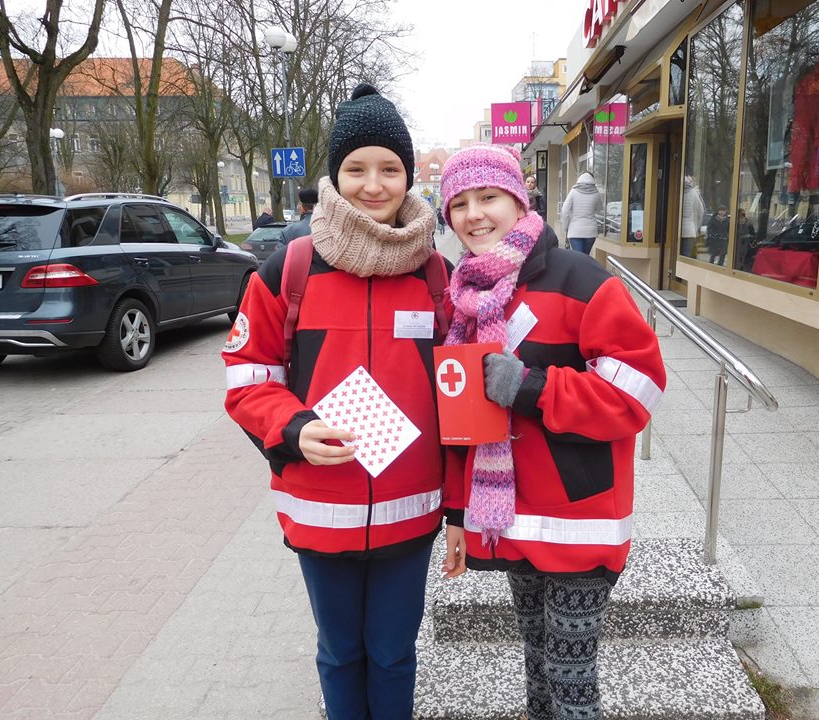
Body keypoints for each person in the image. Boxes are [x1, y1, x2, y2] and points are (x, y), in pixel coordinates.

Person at [222, 83, 449, 720]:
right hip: (321, 506)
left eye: (389, 169)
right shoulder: (290, 268)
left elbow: (463, 389)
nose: (373, 185)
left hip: (411, 509)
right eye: (356, 168)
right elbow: (246, 377)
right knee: (340, 652)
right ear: (333, 175)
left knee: (394, 653)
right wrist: (293, 429)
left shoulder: (435, 274)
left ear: (408, 177)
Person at [438, 143, 666, 720]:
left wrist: (533, 388)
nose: (475, 214)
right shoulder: (464, 297)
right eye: (459, 204)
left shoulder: (581, 279)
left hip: (582, 522)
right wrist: (460, 515)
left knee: (570, 680)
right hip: (513, 522)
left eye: (489, 197)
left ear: (520, 201)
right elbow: (464, 422)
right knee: (538, 667)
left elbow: (637, 389)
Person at [560, 171, 602, 254]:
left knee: (579, 258)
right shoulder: (596, 193)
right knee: (586, 257)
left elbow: (565, 210)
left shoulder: (573, 192)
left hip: (575, 231)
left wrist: (565, 227)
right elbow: (599, 209)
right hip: (591, 231)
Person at [681, 176, 705, 258]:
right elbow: (701, 212)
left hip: (677, 231)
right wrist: (695, 227)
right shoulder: (694, 193)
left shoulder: (677, 191)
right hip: (690, 231)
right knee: (686, 256)